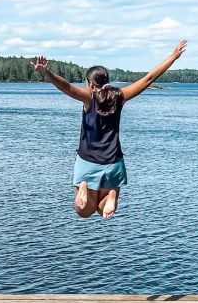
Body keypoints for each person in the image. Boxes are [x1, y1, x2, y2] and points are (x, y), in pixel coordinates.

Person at [32, 41, 188, 219]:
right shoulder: (120, 97)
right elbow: (149, 79)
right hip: (112, 163)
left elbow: (66, 86)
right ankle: (111, 195)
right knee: (102, 209)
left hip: (86, 161)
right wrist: (173, 57)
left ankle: (84, 186)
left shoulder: (88, 98)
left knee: (83, 211)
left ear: (90, 84)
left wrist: (46, 73)